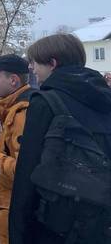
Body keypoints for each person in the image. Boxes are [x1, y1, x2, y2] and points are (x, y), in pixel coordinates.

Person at [9, 34, 111, 244]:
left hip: (55, 223)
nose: (31, 68)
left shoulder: (46, 102)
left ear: (53, 63)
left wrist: (18, 232)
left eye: (34, 62)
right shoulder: (105, 97)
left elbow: (28, 172)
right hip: (100, 219)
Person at [0, 54, 36, 244]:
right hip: (10, 208)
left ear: (13, 80)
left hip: (15, 210)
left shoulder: (22, 112)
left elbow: (23, 170)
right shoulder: (9, 107)